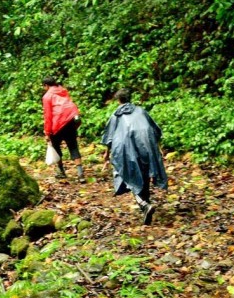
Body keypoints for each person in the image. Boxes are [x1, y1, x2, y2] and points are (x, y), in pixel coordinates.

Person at [101, 89, 167, 225]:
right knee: (144, 174)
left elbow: (109, 137)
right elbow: (155, 129)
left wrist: (107, 154)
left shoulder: (116, 115)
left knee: (127, 177)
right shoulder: (141, 111)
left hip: (127, 149)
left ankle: (144, 204)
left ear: (118, 101)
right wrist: (157, 148)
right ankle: (146, 207)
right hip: (146, 147)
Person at [41, 76, 85, 183]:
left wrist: (47, 132)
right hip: (72, 119)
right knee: (73, 146)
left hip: (59, 122)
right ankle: (80, 174)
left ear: (46, 86)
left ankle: (61, 171)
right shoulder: (63, 91)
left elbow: (48, 115)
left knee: (56, 146)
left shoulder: (47, 96)